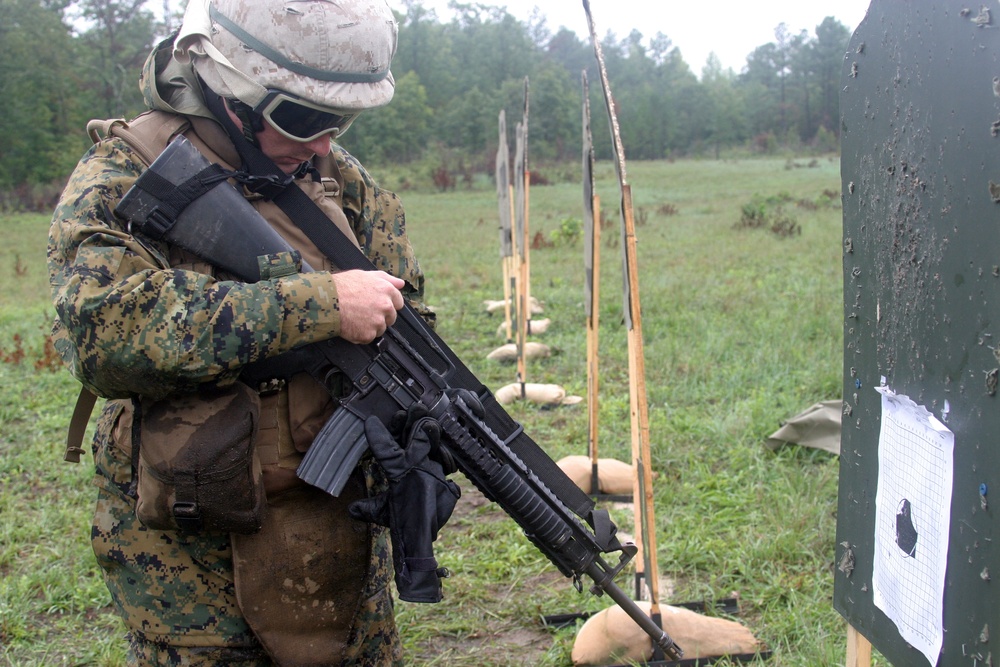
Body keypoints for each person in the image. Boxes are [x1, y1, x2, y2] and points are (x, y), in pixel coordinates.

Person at [47, 0, 435, 663]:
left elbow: (404, 310)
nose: (322, 143)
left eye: (340, 120)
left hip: (334, 539)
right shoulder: (124, 173)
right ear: (236, 90)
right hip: (193, 565)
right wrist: (315, 305)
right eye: (305, 118)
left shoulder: (337, 179)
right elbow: (100, 333)